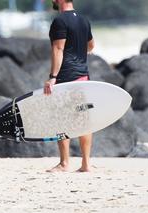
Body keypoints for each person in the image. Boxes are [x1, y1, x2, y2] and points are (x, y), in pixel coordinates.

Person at [44, 0, 94, 173]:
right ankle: (86, 164)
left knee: (62, 117)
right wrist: (79, 54)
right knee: (83, 118)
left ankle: (64, 163)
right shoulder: (84, 20)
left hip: (66, 76)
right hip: (83, 76)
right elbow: (91, 46)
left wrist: (52, 78)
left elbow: (58, 49)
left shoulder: (60, 21)